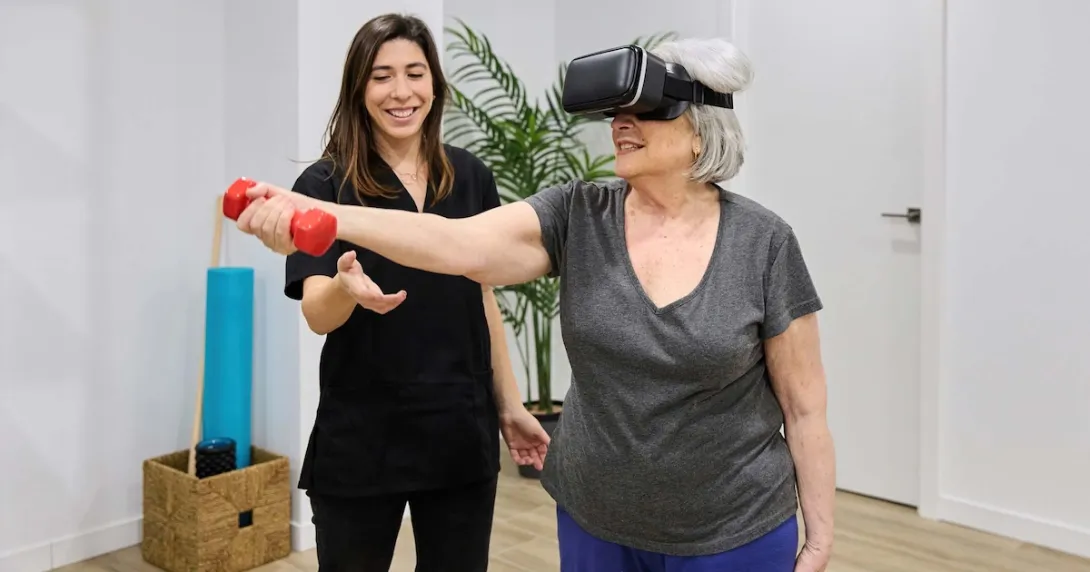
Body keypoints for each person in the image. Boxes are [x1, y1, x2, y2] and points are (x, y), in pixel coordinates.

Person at [237, 36, 836, 572]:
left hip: (732, 527)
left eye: (643, 111)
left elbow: (804, 408)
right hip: (594, 520)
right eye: (614, 113)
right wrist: (315, 212)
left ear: (703, 125)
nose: (620, 125)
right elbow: (458, 245)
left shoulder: (764, 242)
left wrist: (820, 535)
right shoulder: (580, 213)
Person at [275, 13, 550, 572]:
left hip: (458, 428)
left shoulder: (469, 176)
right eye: (381, 76)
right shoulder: (325, 186)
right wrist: (348, 290)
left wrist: (510, 404)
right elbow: (316, 314)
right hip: (362, 433)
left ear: (434, 84)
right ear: (359, 88)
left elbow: (483, 297)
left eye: (415, 73)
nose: (401, 92)